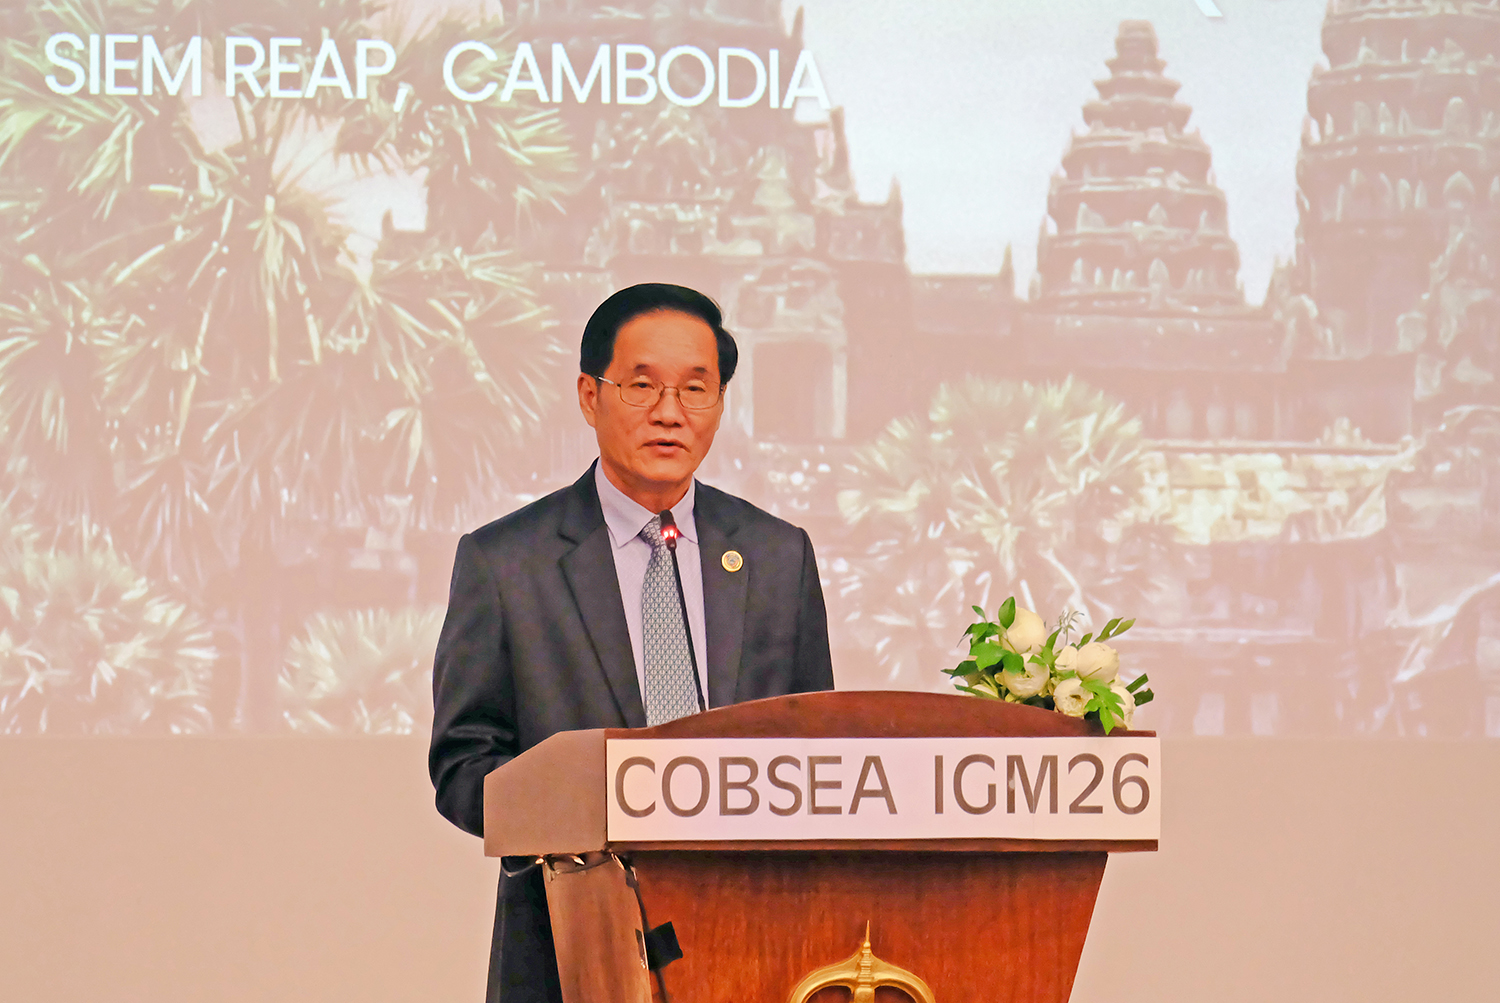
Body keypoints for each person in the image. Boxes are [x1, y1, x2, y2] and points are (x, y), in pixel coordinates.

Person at [428, 282, 836, 1003]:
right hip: (567, 952)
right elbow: (463, 765)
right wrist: (585, 809)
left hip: (755, 949)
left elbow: (817, 748)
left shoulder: (778, 556)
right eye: (642, 385)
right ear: (590, 396)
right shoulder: (506, 563)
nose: (669, 412)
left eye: (695, 389)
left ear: (720, 402)